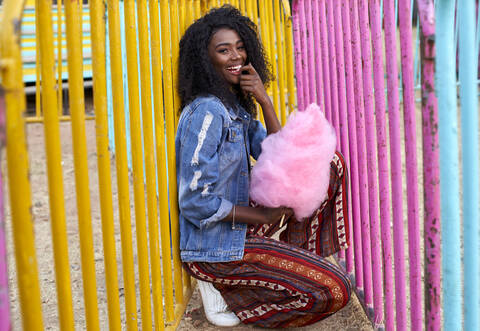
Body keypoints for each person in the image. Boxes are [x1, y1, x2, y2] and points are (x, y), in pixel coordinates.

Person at [175, 5, 351, 328]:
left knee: (328, 165)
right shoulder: (206, 113)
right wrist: (263, 217)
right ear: (205, 58)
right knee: (336, 290)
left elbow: (286, 160)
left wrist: (264, 100)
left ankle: (295, 258)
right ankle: (228, 293)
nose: (235, 56)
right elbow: (195, 201)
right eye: (223, 50)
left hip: (241, 228)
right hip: (215, 247)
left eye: (240, 47)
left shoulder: (236, 110)